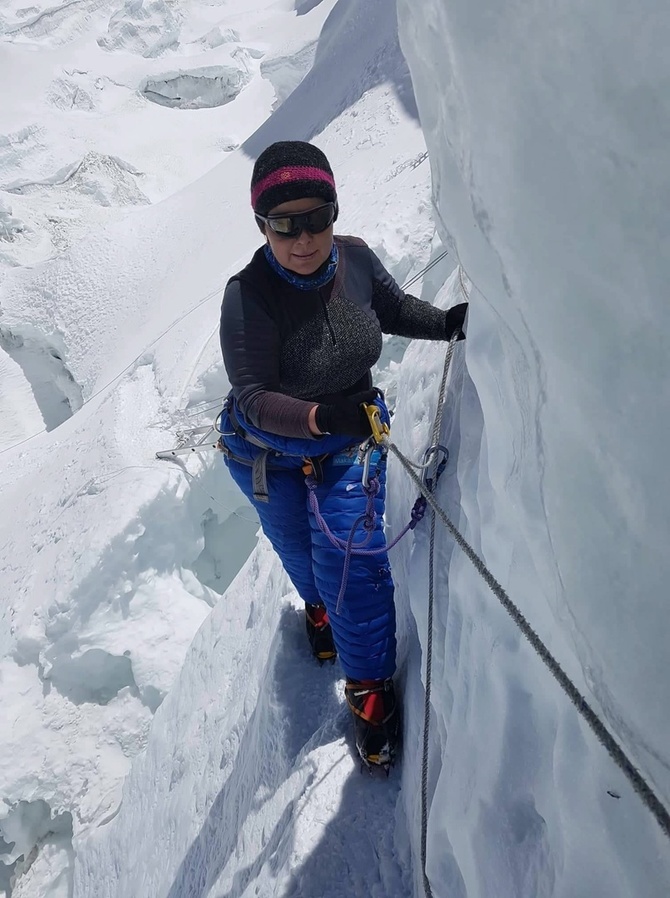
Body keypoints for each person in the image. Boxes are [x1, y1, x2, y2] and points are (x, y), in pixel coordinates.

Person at [219, 140, 467, 769]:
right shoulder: (247, 295)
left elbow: (391, 308)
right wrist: (315, 416)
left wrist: (445, 324)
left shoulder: (353, 260)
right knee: (303, 556)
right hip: (264, 450)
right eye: (285, 224)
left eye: (317, 218)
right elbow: (251, 399)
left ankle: (369, 688)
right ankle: (319, 610)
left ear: (334, 212)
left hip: (347, 441)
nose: (304, 238)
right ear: (262, 225)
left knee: (348, 560)